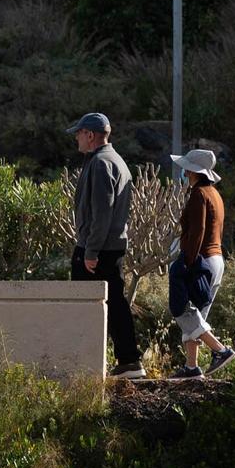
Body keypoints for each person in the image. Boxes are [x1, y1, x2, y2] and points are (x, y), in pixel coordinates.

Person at [67, 112, 144, 379]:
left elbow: (102, 212)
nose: (76, 137)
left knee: (85, 307)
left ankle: (89, 366)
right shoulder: (115, 161)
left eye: (79, 133)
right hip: (109, 247)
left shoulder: (100, 163)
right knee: (116, 304)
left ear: (90, 135)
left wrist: (90, 252)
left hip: (98, 249)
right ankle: (128, 360)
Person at [166, 148, 235, 379]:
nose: (184, 172)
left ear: (195, 171)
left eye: (187, 168)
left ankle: (220, 349)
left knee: (183, 310)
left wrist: (186, 260)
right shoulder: (215, 193)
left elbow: (198, 231)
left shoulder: (198, 195)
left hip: (200, 259)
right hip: (216, 260)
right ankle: (191, 367)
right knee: (198, 315)